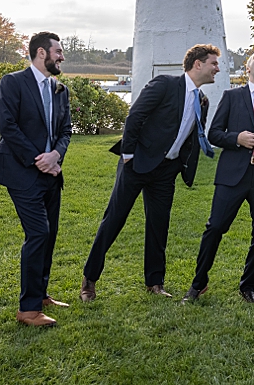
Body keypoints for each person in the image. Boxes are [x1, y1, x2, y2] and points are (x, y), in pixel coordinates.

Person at [81, 44, 221, 301]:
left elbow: (190, 139)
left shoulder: (203, 101)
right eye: (214, 63)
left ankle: (155, 282)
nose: (218, 69)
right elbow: (135, 116)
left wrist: (180, 165)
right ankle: (89, 281)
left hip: (166, 171)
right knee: (114, 220)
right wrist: (129, 155)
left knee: (159, 227)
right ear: (198, 64)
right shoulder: (165, 84)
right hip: (137, 164)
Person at [181, 52, 254, 304]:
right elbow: (214, 134)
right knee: (215, 228)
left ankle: (248, 286)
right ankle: (198, 284)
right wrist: (237, 139)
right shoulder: (231, 97)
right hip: (233, 176)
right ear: (248, 68)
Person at [0, 32, 72, 328]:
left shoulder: (61, 89)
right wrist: (41, 160)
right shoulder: (13, 82)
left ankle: (42, 293)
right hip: (21, 172)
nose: (62, 56)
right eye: (58, 51)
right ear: (40, 53)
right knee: (37, 234)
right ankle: (28, 310)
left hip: (51, 173)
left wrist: (56, 156)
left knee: (49, 235)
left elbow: (66, 132)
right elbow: (8, 127)